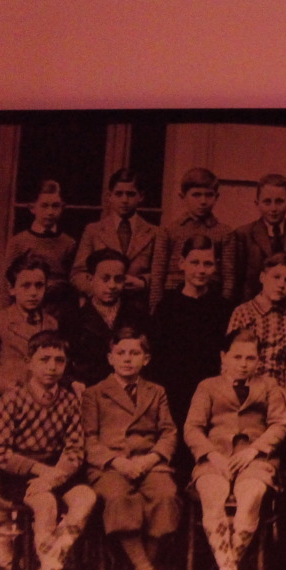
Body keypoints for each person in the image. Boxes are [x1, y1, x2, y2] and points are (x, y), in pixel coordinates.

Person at [0, 330, 97, 570]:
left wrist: (55, 475)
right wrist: (40, 473)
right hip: (20, 474)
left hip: (57, 470)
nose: (52, 367)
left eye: (59, 361)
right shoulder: (13, 398)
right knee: (46, 503)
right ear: (29, 362)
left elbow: (75, 449)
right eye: (44, 359)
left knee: (86, 497)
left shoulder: (69, 400)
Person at [184, 328, 286, 570]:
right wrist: (210, 454)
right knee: (212, 495)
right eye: (237, 356)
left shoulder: (269, 386)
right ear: (224, 357)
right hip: (215, 458)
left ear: (259, 360)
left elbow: (280, 424)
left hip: (255, 459)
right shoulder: (207, 387)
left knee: (251, 495)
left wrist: (255, 450)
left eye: (251, 358)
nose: (244, 363)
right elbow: (192, 428)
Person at [81, 327, 179, 570]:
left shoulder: (156, 392)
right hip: (111, 465)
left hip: (149, 462)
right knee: (119, 499)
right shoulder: (94, 393)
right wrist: (117, 462)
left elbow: (169, 432)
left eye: (134, 353)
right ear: (110, 358)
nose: (127, 359)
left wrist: (150, 460)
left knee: (166, 496)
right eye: (121, 353)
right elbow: (89, 438)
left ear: (145, 359)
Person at [0, 253, 60, 570]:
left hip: (37, 418)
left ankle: (32, 553)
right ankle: (6, 557)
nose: (33, 292)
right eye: (25, 285)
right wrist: (11, 388)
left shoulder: (51, 324)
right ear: (11, 288)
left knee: (31, 483)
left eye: (39, 285)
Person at [148, 234, 233, 432]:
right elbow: (156, 358)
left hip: (212, 392)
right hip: (175, 392)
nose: (201, 270)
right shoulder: (166, 307)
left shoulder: (223, 309)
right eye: (194, 263)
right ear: (181, 263)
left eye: (207, 264)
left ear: (215, 267)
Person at [71, 167, 158, 311]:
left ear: (141, 196)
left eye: (130, 194)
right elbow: (77, 274)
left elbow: (160, 273)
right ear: (109, 196)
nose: (124, 200)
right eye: (119, 194)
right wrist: (99, 291)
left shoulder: (154, 232)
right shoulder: (93, 230)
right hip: (99, 308)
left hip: (138, 307)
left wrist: (142, 282)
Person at [149, 167, 235, 311]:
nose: (203, 201)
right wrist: (155, 309)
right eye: (196, 195)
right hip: (174, 301)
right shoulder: (169, 231)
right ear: (182, 196)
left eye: (209, 195)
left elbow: (229, 279)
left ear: (217, 197)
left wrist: (224, 310)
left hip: (210, 301)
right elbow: (157, 276)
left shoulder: (224, 232)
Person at [62, 248, 149, 387]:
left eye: (118, 279)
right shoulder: (73, 319)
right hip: (89, 392)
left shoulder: (137, 316)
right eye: (105, 278)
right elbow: (65, 364)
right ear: (91, 279)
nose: (112, 285)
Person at [0, 179, 77, 321]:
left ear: (62, 208)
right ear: (32, 208)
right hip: (27, 308)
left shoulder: (69, 242)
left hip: (59, 310)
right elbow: (6, 283)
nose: (50, 212)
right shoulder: (19, 242)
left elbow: (73, 279)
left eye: (55, 206)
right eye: (44, 206)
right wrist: (5, 317)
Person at [227, 252, 286, 389]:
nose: (281, 284)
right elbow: (230, 359)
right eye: (276, 277)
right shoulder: (243, 312)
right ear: (262, 277)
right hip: (247, 388)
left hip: (280, 390)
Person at [233, 173, 286, 302]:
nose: (273, 208)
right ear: (257, 203)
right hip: (253, 307)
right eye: (267, 202)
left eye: (279, 201)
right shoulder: (244, 234)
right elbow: (238, 280)